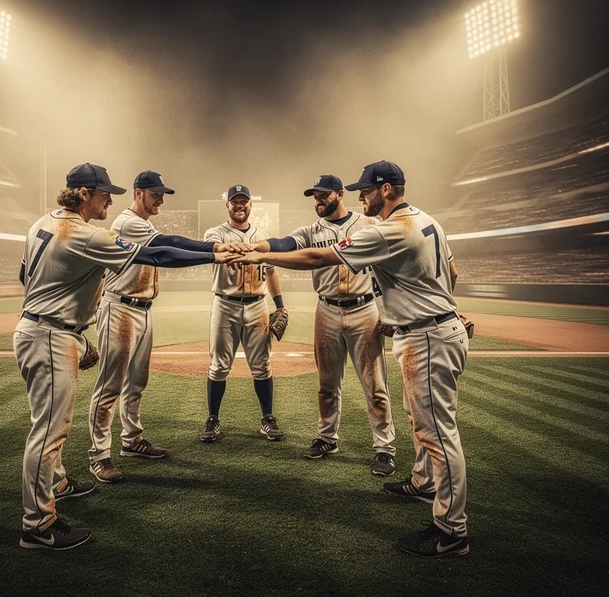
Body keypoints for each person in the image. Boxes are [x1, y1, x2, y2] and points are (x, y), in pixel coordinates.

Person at [233, 161, 470, 558]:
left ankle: (452, 530)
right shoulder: (427, 220)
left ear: (388, 189)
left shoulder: (391, 228)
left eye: (367, 190)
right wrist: (441, 307)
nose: (363, 196)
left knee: (437, 434)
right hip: (432, 326)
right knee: (422, 422)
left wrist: (260, 258)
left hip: (426, 335)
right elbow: (452, 271)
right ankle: (424, 481)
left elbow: (316, 259)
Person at [15, 163, 239, 550]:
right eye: (104, 194)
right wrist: (214, 254)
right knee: (49, 431)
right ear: (84, 194)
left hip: (43, 327)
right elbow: (161, 254)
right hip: (51, 335)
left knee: (56, 423)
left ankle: (58, 483)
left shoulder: (42, 222)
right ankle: (38, 525)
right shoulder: (84, 234)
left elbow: (24, 275)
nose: (109, 200)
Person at [88, 171, 247, 483]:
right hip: (120, 308)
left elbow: (165, 244)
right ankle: (99, 456)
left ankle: (131, 441)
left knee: (136, 383)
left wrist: (213, 253)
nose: (160, 197)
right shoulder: (127, 222)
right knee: (110, 386)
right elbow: (166, 247)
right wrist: (213, 252)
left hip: (141, 309)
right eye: (155, 192)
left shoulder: (143, 223)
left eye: (162, 193)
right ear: (138, 192)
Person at [249, 174, 396, 475]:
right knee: (327, 384)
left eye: (323, 194)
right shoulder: (312, 230)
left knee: (374, 385)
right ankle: (328, 438)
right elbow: (284, 242)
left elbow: (388, 268)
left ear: (339, 194)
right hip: (326, 309)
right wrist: (254, 246)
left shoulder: (368, 225)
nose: (318, 199)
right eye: (314, 195)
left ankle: (384, 448)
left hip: (364, 309)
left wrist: (388, 311)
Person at [199, 184, 288, 443]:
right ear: (227, 205)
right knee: (219, 365)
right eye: (235, 201)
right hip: (225, 303)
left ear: (250, 205)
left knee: (262, 365)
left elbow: (271, 272)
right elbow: (212, 247)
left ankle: (268, 419)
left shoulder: (263, 236)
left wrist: (280, 304)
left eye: (244, 201)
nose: (240, 205)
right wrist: (233, 249)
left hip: (258, 304)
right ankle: (213, 419)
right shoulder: (216, 232)